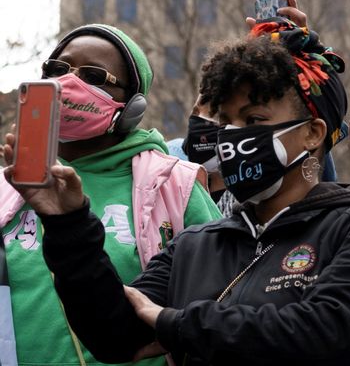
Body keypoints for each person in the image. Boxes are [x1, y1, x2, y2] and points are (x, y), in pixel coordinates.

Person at [3, 19, 350, 365]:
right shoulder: (196, 244)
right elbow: (115, 335)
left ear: (311, 133)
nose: (233, 136)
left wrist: (175, 324)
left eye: (254, 118)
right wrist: (69, 224)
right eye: (225, 120)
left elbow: (322, 331)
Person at [0, 24, 221, 366]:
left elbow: (220, 293)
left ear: (131, 106)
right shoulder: (9, 185)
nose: (69, 83)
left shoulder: (176, 184)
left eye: (94, 76)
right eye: (57, 70)